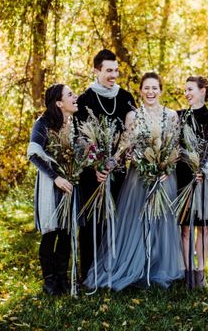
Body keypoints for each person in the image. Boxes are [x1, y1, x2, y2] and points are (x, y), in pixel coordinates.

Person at [84, 72, 184, 290]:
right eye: (146, 88)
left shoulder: (172, 116)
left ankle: (159, 267)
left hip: (164, 176)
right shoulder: (133, 116)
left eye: (154, 88)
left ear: (161, 90)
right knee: (137, 221)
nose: (150, 92)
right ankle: (136, 266)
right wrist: (108, 164)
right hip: (139, 177)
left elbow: (175, 148)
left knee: (162, 223)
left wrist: (166, 167)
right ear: (140, 91)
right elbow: (124, 146)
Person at [75, 49, 136, 282]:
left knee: (115, 220)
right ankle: (88, 273)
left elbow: (132, 131)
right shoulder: (84, 100)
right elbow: (79, 139)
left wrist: (122, 155)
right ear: (96, 71)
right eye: (109, 70)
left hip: (119, 170)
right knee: (92, 222)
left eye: (116, 70)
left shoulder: (125, 97)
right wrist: (96, 165)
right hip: (93, 173)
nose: (114, 75)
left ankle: (111, 271)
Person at [27, 84, 78, 295]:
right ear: (59, 103)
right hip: (51, 184)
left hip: (70, 183)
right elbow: (34, 154)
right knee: (51, 232)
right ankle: (49, 280)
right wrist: (55, 177)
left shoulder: (74, 124)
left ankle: (62, 277)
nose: (75, 97)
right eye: (70, 94)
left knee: (66, 232)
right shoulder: (43, 123)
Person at [176, 76, 208, 288]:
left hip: (205, 180)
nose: (186, 93)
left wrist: (204, 168)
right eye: (185, 90)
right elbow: (175, 147)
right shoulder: (179, 116)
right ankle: (186, 271)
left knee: (203, 227)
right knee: (184, 227)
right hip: (183, 177)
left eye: (190, 89)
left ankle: (201, 272)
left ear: (203, 91)